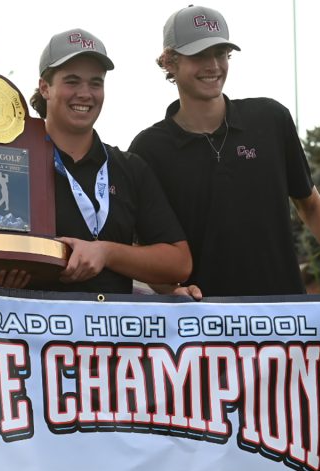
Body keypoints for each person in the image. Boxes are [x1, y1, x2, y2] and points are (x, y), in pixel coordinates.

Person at [129, 5, 320, 308]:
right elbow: (141, 245)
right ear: (170, 61)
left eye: (221, 53)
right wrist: (167, 289)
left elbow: (311, 206)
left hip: (284, 317)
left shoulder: (270, 120)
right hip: (199, 329)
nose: (213, 65)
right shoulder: (148, 149)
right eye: (199, 55)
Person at [31, 28, 191, 294]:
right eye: (72, 81)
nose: (85, 93)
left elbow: (179, 262)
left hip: (111, 333)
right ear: (45, 87)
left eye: (96, 83)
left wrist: (106, 252)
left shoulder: (128, 167)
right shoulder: (16, 162)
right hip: (31, 330)